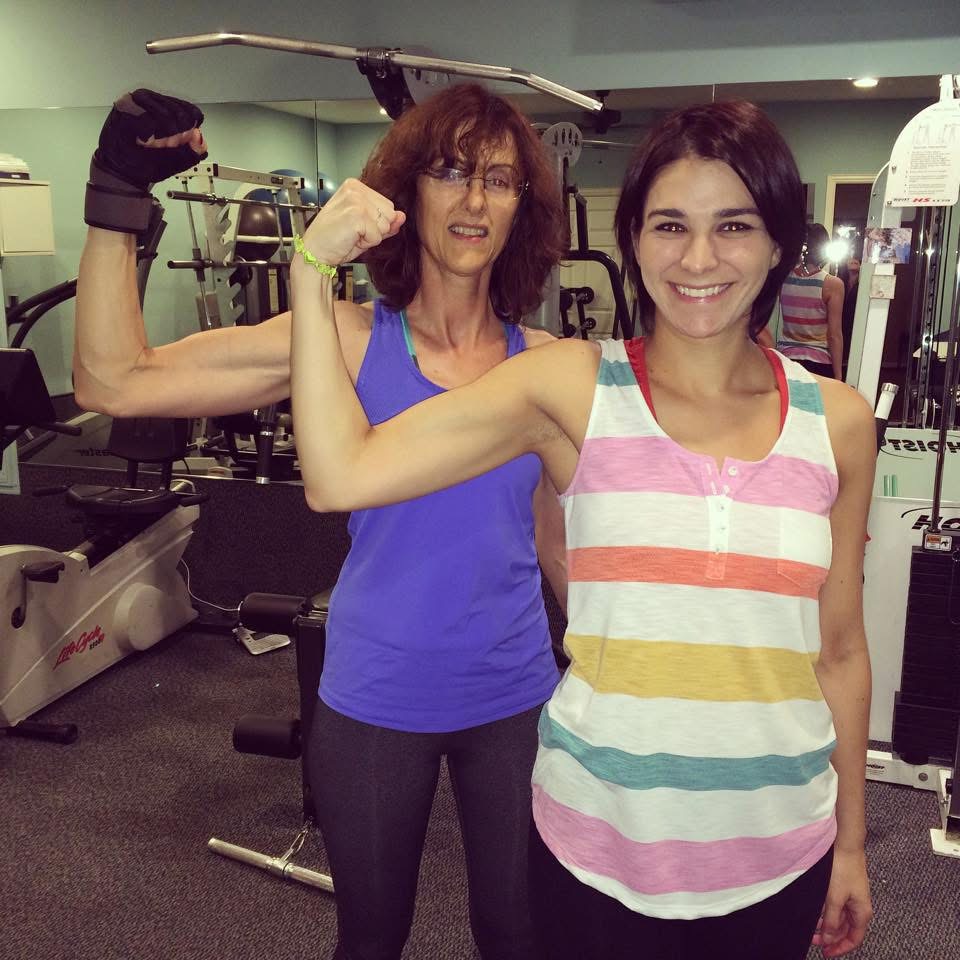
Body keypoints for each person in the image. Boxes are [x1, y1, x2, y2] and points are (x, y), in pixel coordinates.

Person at [288, 99, 875, 960]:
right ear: (633, 238)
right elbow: (340, 474)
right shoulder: (568, 385)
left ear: (780, 241)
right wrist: (309, 268)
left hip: (777, 848)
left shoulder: (841, 423)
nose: (700, 259)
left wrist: (853, 844)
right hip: (594, 847)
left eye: (735, 226)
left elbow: (841, 651)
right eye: (670, 225)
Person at [73, 85, 570, 960]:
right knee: (370, 940)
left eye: (499, 179)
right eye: (451, 172)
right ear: (406, 192)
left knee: (521, 935)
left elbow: (553, 536)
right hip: (376, 696)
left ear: (523, 207)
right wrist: (117, 202)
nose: (475, 199)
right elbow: (114, 382)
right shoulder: (341, 336)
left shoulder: (549, 367)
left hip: (515, 698)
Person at [777, 222, 846, 379]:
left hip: (787, 361)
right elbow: (834, 335)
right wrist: (838, 376)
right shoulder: (832, 284)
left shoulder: (783, 279)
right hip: (819, 362)